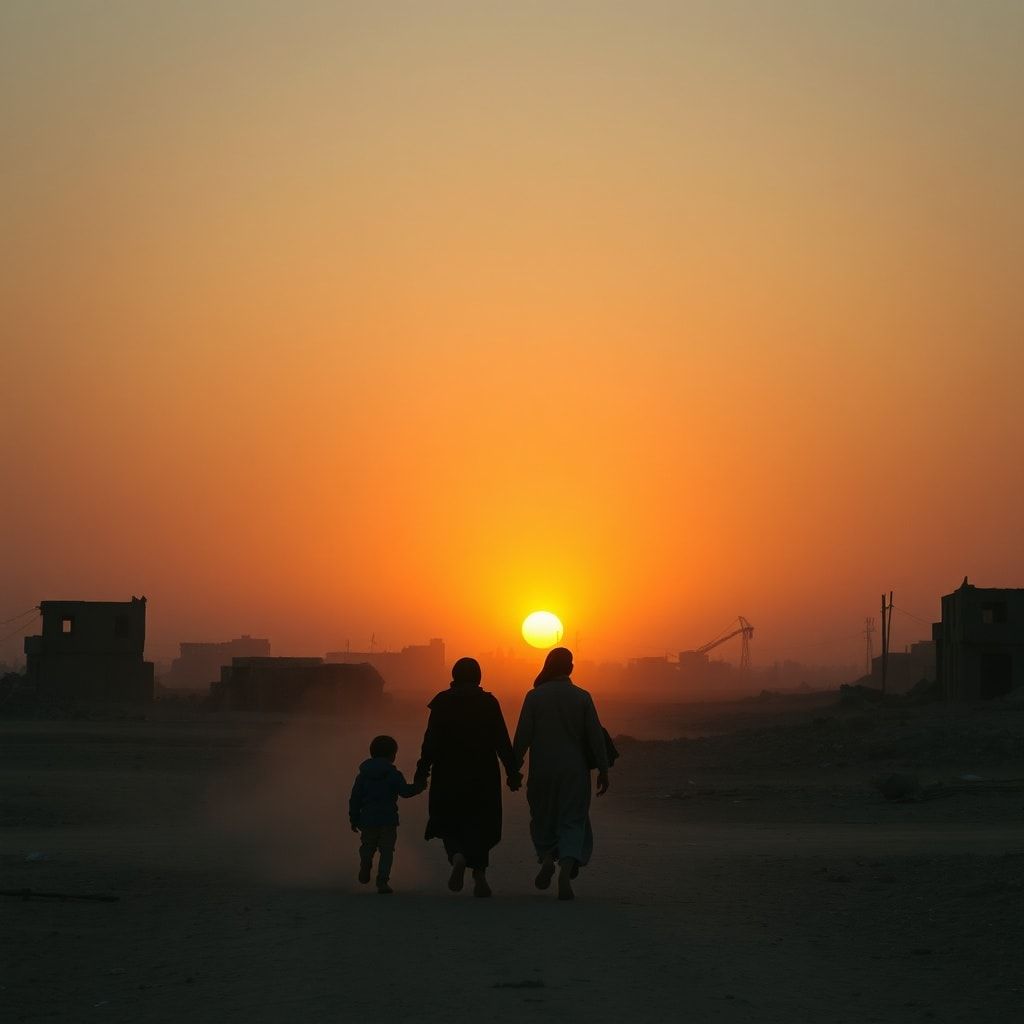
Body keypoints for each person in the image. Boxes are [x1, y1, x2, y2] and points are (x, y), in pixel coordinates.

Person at [414, 657, 522, 897]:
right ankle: (480, 874)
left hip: (448, 772)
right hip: (483, 774)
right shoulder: (488, 702)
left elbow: (430, 742)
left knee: (449, 821)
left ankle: (458, 856)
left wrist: (422, 772)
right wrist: (512, 773)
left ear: (454, 675)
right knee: (481, 823)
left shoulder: (442, 702)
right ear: (478, 676)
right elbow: (502, 741)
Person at [512, 647, 610, 901]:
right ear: (570, 668)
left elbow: (522, 736)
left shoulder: (534, 697)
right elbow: (595, 737)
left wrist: (513, 767)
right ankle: (565, 868)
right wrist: (603, 768)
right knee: (573, 819)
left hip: (542, 769)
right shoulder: (582, 697)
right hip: (574, 770)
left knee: (543, 816)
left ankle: (546, 858)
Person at [348, 734, 424, 894]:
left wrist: (354, 818)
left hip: (367, 819)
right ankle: (382, 881)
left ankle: (365, 863)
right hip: (388, 820)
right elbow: (405, 792)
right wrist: (419, 787)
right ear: (393, 755)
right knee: (387, 851)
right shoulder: (393, 774)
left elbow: (355, 798)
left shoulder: (363, 776)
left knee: (367, 846)